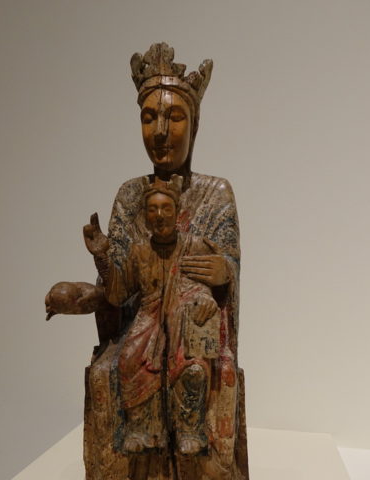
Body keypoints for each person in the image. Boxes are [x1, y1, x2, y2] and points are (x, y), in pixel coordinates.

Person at [46, 42, 247, 479]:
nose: (160, 131)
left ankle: (191, 442)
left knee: (197, 364)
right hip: (144, 320)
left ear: (194, 124)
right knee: (114, 366)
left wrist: (225, 272)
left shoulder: (216, 194)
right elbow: (119, 288)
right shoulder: (129, 195)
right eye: (149, 116)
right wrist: (100, 262)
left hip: (194, 323)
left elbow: (229, 270)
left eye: (174, 117)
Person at [85, 174, 222, 456]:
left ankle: (188, 429)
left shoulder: (194, 246)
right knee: (129, 358)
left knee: (193, 368)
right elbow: (118, 294)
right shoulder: (139, 251)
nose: (159, 216)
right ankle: (144, 430)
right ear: (146, 218)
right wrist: (101, 257)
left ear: (177, 212)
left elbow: (204, 287)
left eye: (166, 208)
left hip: (183, 319)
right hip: (149, 318)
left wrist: (206, 300)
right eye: (153, 210)